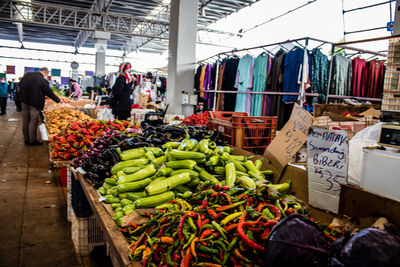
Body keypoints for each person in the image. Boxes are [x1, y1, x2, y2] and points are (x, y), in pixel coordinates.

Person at [18, 67, 61, 145]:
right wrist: (58, 100)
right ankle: (32, 141)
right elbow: (49, 92)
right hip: (35, 103)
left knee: (25, 120)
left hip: (23, 101)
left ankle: (26, 140)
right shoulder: (42, 80)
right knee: (33, 121)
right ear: (45, 73)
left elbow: (19, 85)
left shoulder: (27, 75)